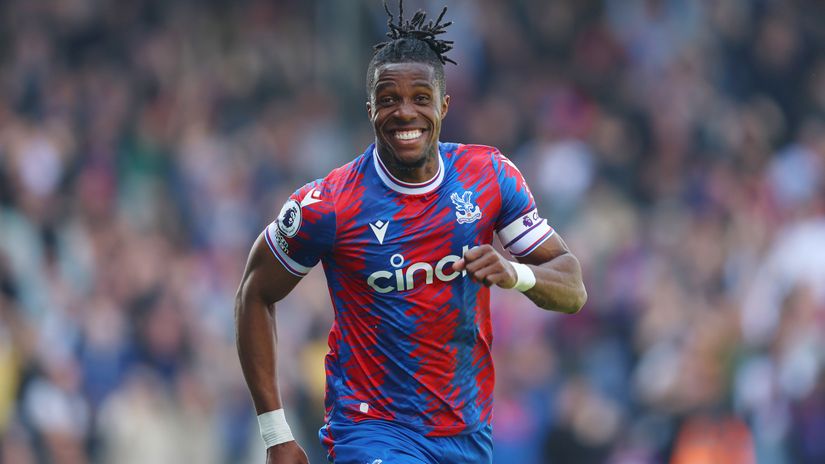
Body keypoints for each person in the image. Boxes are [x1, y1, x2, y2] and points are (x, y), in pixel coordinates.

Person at [234, 2, 587, 463]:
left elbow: (573, 287)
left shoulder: (490, 177)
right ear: (369, 109)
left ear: (443, 104)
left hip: (466, 430)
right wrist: (276, 433)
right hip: (370, 426)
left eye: (420, 98)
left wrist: (514, 273)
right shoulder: (329, 205)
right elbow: (253, 295)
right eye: (388, 99)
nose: (405, 113)